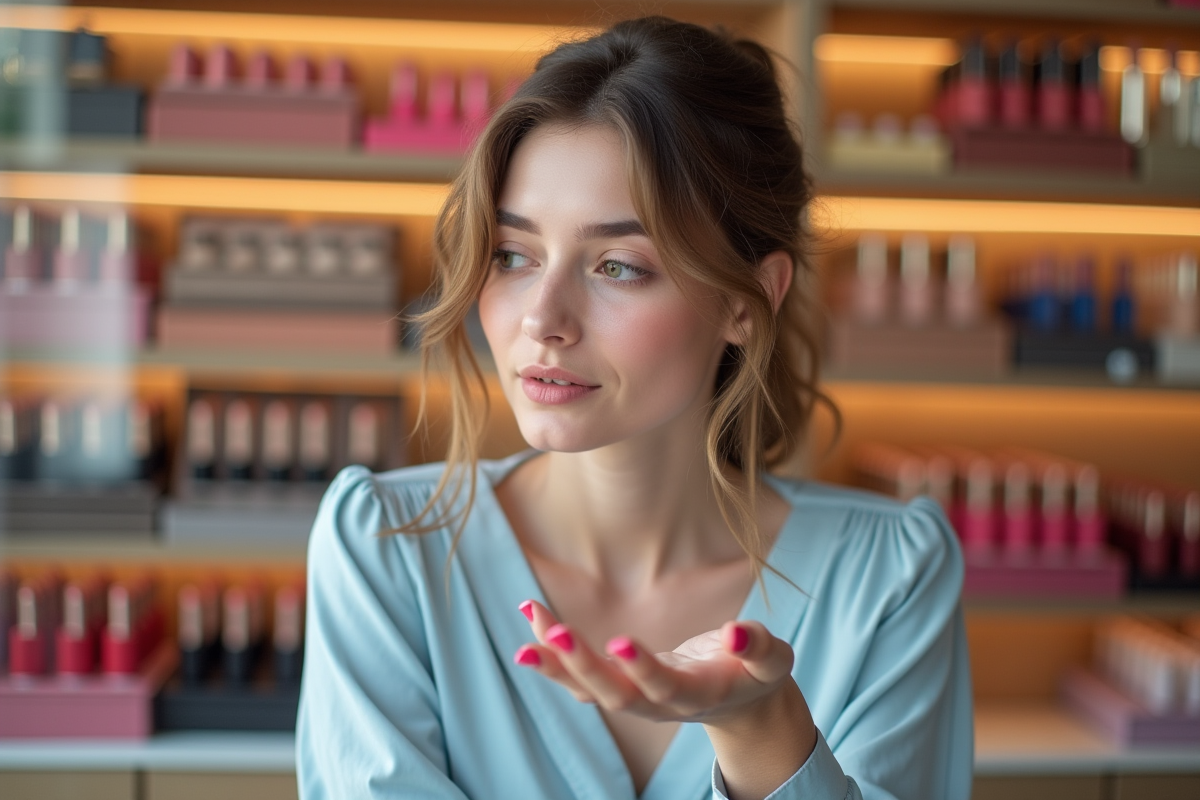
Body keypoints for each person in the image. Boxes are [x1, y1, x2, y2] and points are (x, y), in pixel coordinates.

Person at [297, 16, 972, 800]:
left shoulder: (889, 580)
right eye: (513, 255)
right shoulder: (385, 551)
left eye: (617, 265)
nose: (542, 319)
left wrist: (767, 737)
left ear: (747, 304)